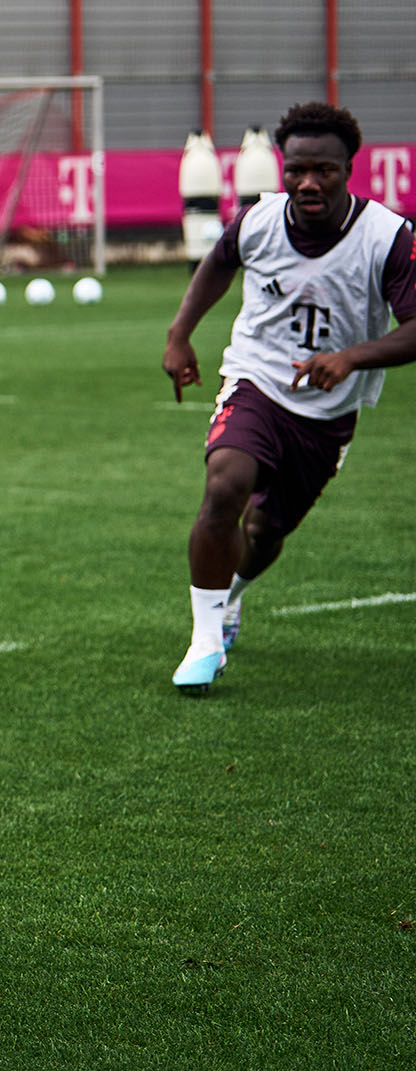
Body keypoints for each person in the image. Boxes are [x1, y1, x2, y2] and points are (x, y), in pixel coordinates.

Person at [162, 102, 416, 693]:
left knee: (265, 534)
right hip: (256, 379)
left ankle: (233, 598)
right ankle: (203, 643)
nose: (307, 183)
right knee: (225, 484)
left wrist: (350, 357)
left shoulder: (388, 238)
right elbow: (219, 263)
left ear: (349, 168)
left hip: (328, 411)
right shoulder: (258, 220)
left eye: (323, 170)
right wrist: (179, 337)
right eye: (296, 169)